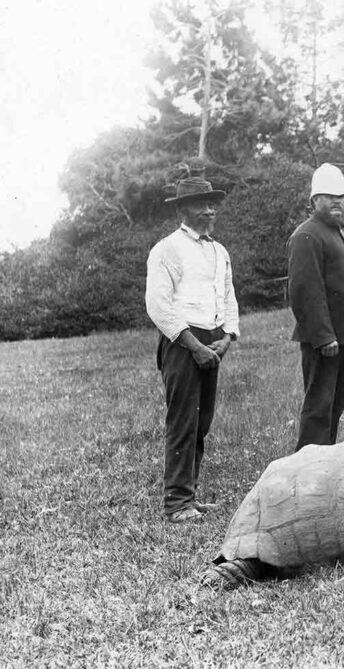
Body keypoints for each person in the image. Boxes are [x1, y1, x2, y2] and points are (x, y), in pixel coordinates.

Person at [145, 177, 238, 523]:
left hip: (212, 342)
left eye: (213, 203)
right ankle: (176, 503)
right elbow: (158, 305)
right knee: (182, 421)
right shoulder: (166, 249)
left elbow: (228, 297)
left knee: (202, 422)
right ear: (183, 208)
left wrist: (227, 338)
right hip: (182, 343)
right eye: (201, 203)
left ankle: (190, 495)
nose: (210, 209)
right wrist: (193, 345)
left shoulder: (219, 251)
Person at [287, 163, 344, 450]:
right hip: (326, 341)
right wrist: (324, 336)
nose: (338, 202)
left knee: (334, 409)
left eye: (343, 197)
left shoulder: (338, 233)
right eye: (329, 196)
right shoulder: (307, 235)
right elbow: (305, 292)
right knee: (319, 410)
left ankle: (324, 468)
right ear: (314, 201)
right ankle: (306, 474)